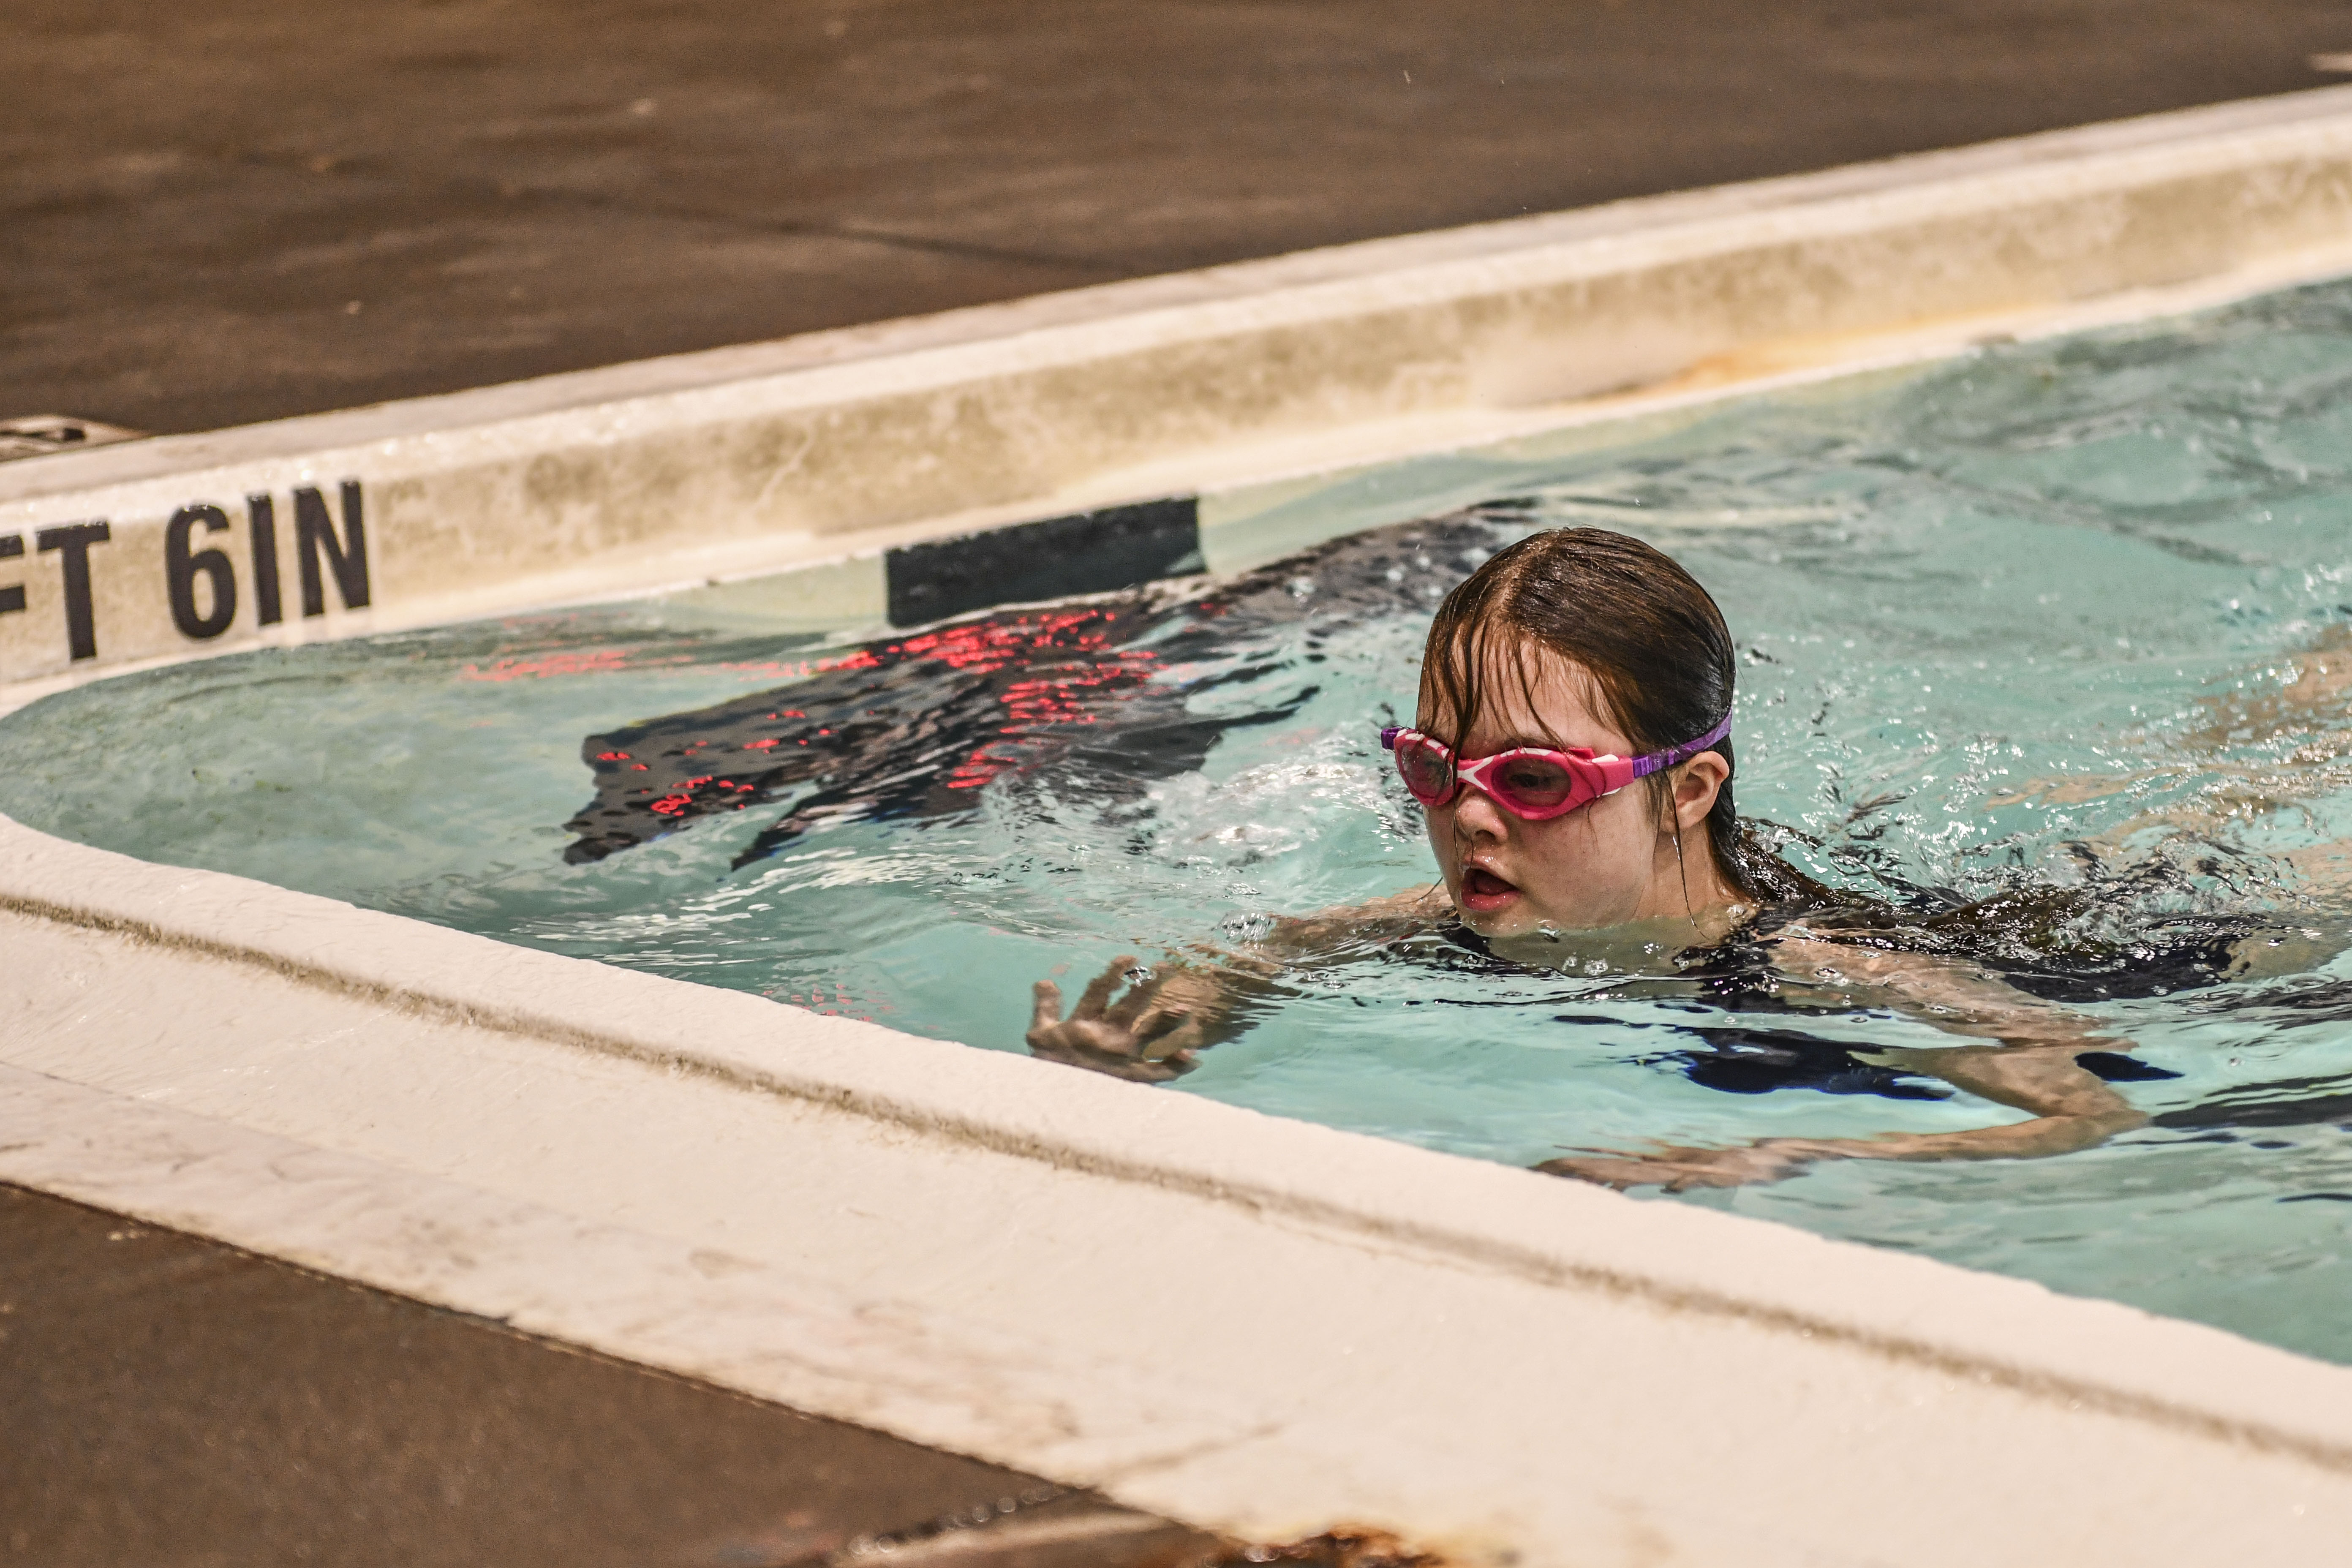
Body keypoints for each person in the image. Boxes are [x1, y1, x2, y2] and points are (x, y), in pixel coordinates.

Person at [1025, 525, 2336, 1190]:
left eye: (1533, 781)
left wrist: (1782, 1158)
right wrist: (1157, 1035)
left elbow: (2091, 1110)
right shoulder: (1431, 918)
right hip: (1965, 894)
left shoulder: (1819, 974)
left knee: (2235, 854)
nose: (1470, 819)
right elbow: (1260, 957)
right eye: (1438, 769)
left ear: (1689, 789)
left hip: (2166, 955)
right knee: (2154, 814)